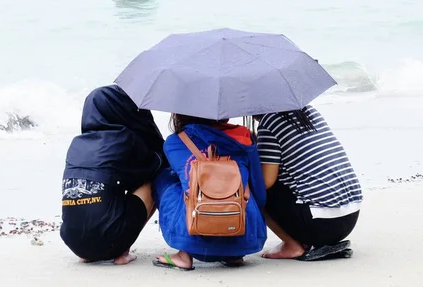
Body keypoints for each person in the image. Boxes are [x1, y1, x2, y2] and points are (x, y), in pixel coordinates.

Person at [60, 85, 167, 265]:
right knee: (154, 180)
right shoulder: (123, 139)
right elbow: (157, 164)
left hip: (72, 241)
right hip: (109, 240)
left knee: (108, 187)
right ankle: (122, 252)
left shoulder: (77, 144)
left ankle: (88, 253)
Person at [152, 114, 267, 270]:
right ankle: (233, 256)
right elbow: (259, 192)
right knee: (245, 187)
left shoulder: (175, 142)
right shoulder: (244, 138)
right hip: (245, 238)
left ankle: (184, 255)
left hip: (195, 240)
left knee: (165, 178)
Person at [254, 105, 363, 260]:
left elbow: (266, 182)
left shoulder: (269, 123)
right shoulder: (307, 111)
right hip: (349, 217)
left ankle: (291, 245)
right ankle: (305, 237)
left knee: (256, 191)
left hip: (322, 225)